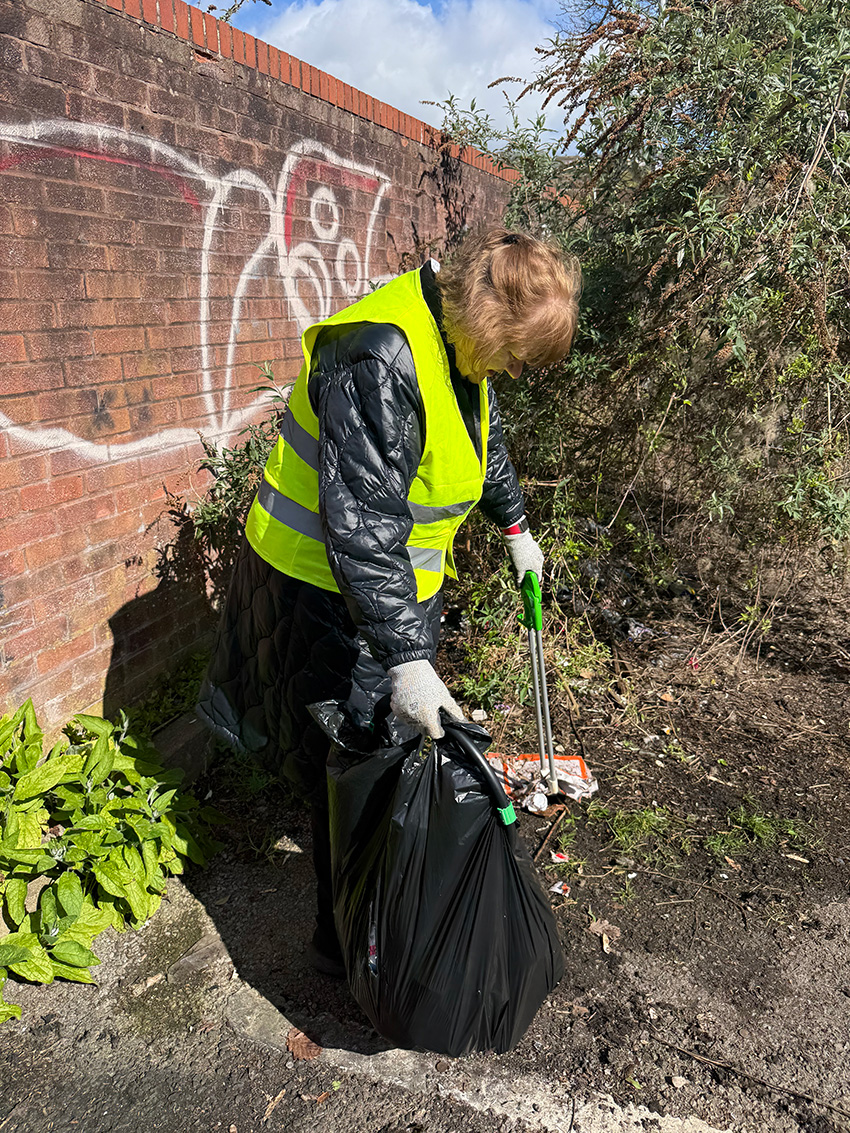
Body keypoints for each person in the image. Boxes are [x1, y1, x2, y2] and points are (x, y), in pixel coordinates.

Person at [197, 226, 581, 976]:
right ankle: (346, 951)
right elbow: (364, 529)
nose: (511, 371)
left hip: (387, 598)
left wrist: (514, 525)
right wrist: (406, 658)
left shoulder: (458, 345)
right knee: (354, 769)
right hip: (320, 590)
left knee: (379, 755)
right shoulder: (379, 354)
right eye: (513, 355)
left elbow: (479, 436)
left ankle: (373, 918)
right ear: (485, 313)